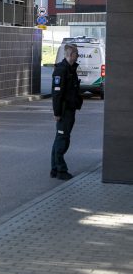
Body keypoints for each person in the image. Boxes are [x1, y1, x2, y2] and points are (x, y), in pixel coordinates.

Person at [50, 43, 83, 180]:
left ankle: (54, 169)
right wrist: (57, 113)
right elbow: (57, 94)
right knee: (62, 140)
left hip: (70, 110)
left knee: (60, 138)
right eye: (76, 54)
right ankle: (61, 170)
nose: (78, 56)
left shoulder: (70, 69)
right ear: (70, 55)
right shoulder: (61, 70)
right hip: (64, 112)